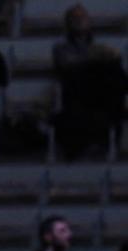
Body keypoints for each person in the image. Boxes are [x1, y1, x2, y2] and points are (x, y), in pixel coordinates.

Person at [52, 4, 127, 160]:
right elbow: (67, 64)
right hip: (76, 93)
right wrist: (95, 57)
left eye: (83, 17)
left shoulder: (98, 48)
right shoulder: (60, 48)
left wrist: (105, 57)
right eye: (76, 18)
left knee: (113, 69)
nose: (80, 21)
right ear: (68, 23)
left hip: (99, 94)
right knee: (102, 68)